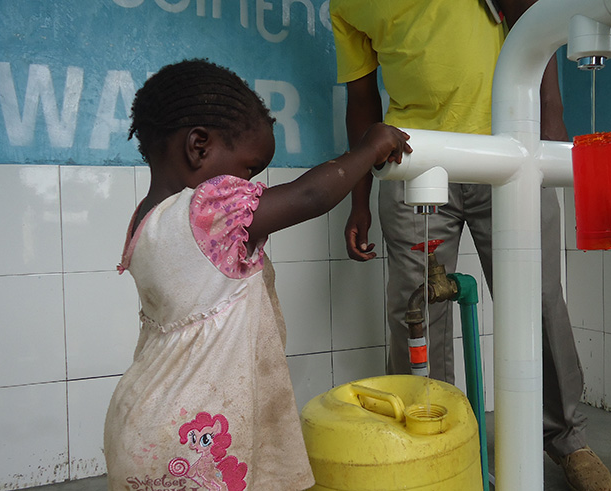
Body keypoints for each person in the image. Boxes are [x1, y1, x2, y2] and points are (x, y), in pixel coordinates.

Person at [329, 1, 611, 490]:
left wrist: (551, 124)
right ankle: (436, 442)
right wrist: (360, 194)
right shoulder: (346, 4)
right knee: (415, 308)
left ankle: (567, 438)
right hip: (415, 156)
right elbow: (362, 100)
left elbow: (534, 26)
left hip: (511, 147)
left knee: (539, 300)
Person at [103, 58, 411, 490]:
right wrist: (369, 148)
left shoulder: (145, 220)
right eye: (250, 169)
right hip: (192, 433)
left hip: (141, 418)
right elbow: (309, 195)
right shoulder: (207, 209)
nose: (252, 186)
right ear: (199, 146)